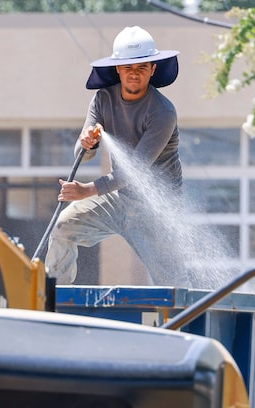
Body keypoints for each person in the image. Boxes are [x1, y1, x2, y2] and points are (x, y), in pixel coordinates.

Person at [45, 26, 191, 287]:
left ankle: (183, 325)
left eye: (142, 67)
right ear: (117, 69)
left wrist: (88, 190)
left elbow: (136, 171)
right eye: (128, 67)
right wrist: (86, 144)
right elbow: (83, 155)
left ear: (153, 69)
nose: (134, 73)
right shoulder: (102, 100)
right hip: (119, 199)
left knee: (173, 284)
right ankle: (54, 304)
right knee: (63, 228)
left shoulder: (162, 112)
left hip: (156, 208)